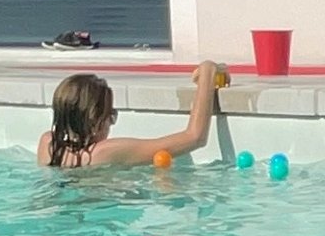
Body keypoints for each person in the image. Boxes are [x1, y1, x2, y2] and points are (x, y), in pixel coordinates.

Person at [38, 61, 219, 168]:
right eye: (111, 115)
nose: (111, 123)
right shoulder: (103, 152)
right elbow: (195, 138)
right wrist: (207, 73)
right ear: (94, 120)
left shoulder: (47, 144)